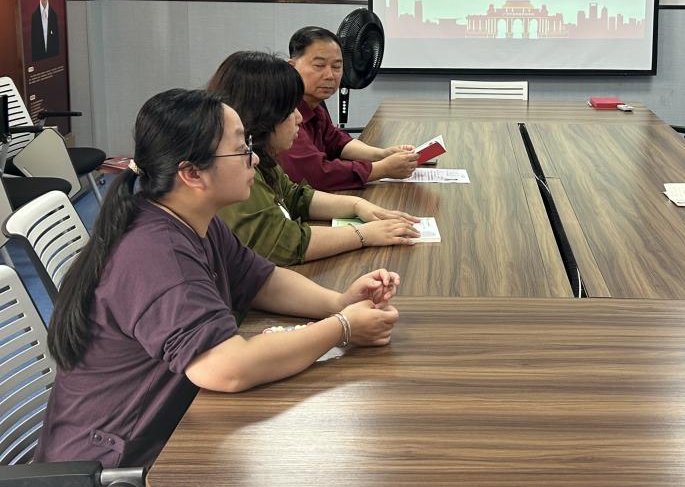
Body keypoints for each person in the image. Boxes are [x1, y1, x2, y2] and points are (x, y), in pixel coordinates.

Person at [36, 89, 402, 468]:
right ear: (192, 173)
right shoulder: (155, 254)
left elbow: (261, 280)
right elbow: (227, 368)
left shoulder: (192, 219)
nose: (254, 158)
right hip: (113, 464)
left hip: (165, 431)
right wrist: (342, 328)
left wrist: (338, 302)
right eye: (241, 149)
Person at [208, 51, 420, 266]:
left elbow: (294, 196)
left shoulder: (259, 155)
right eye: (290, 110)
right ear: (262, 114)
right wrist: (363, 234)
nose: (299, 117)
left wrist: (356, 204)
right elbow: (284, 245)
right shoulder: (234, 170)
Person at [278, 26, 418, 191]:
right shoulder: (283, 112)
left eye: (336, 67)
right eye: (319, 65)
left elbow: (337, 142)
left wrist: (383, 154)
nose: (330, 76)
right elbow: (316, 175)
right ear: (291, 66)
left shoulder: (315, 106)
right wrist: (383, 168)